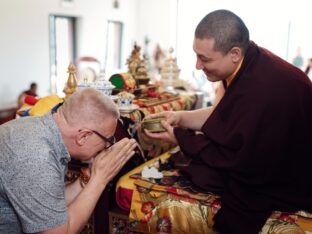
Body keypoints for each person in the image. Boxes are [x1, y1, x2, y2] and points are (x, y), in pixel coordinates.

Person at [144, 10, 312, 233]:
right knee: (200, 170)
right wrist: (180, 118)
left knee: (217, 179)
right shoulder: (250, 61)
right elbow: (225, 116)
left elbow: (244, 159)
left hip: (291, 171)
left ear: (234, 53)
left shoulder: (265, 87)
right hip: (269, 152)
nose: (197, 65)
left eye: (204, 59)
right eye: (196, 55)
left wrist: (179, 137)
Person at [0, 88, 137, 233]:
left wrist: (90, 175)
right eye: (108, 139)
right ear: (83, 136)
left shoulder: (41, 129)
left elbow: (50, 203)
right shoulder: (36, 156)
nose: (108, 145)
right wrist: (100, 179)